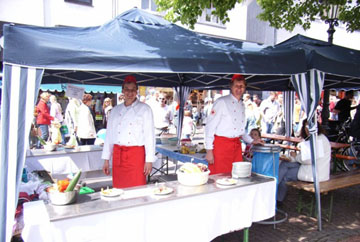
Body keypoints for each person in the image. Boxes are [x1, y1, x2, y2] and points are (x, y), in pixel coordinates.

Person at [102, 75, 155, 188]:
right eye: (127, 89)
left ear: (136, 91)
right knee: (119, 190)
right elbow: (109, 136)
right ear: (122, 91)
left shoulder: (145, 109)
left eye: (132, 90)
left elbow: (149, 137)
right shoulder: (115, 110)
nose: (129, 93)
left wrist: (149, 160)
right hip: (118, 156)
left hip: (136, 157)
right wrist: (106, 159)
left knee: (137, 189)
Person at [205, 74, 264, 175]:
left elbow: (241, 130)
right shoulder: (221, 102)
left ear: (245, 88)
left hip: (236, 147)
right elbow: (210, 127)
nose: (239, 89)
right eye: (236, 86)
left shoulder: (242, 104)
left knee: (236, 176)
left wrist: (253, 141)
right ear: (231, 86)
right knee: (220, 177)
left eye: (241, 86)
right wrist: (209, 150)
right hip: (221, 146)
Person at [277, 119, 331, 203]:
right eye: (306, 126)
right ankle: (276, 194)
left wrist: (296, 157)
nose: (307, 128)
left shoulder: (318, 140)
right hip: (312, 169)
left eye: (309, 126)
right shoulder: (316, 138)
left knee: (286, 174)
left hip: (314, 174)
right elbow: (307, 157)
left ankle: (275, 193)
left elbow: (309, 160)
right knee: (285, 164)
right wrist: (294, 157)